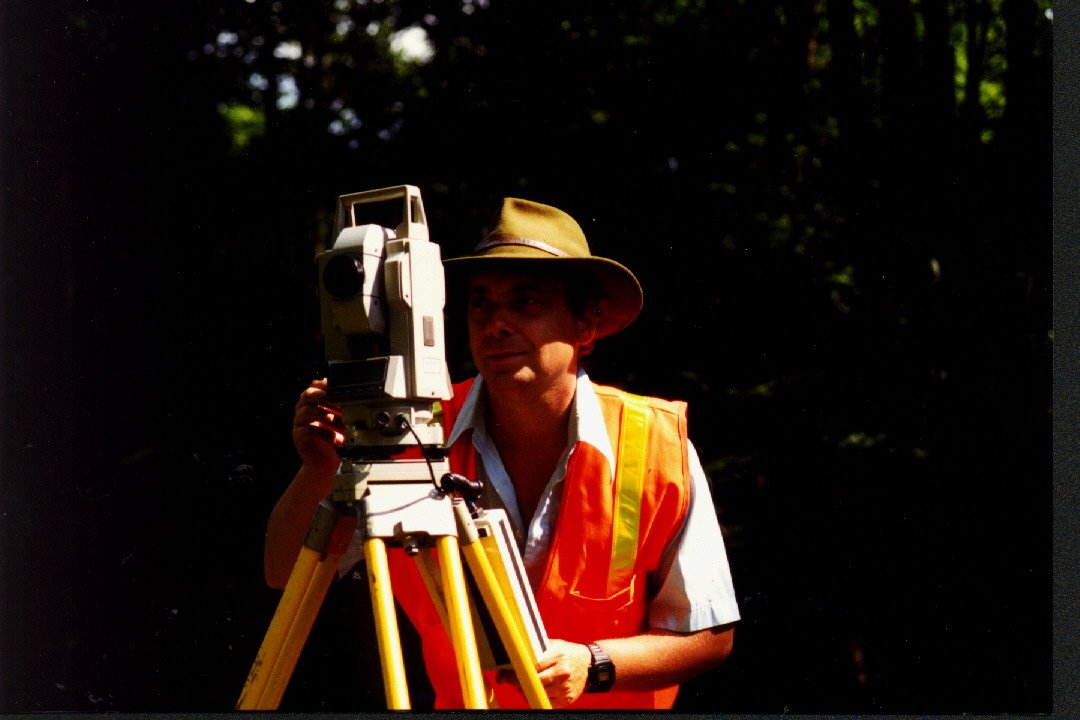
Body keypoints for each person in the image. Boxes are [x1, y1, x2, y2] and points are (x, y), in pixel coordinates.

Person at [264, 197, 740, 710]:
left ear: (586, 326)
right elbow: (284, 572)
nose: (497, 324)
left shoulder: (656, 444)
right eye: (481, 304)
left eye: (526, 301)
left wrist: (593, 663)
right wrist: (320, 469)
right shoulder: (411, 434)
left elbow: (707, 635)